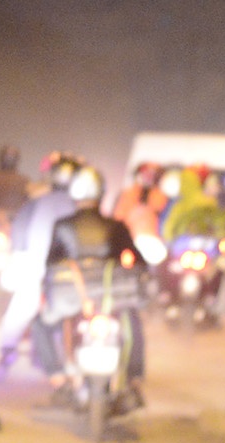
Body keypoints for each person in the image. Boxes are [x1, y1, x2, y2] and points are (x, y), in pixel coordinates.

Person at [44, 166, 148, 403]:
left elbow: (50, 263)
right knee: (132, 323)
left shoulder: (62, 225)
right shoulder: (116, 226)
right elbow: (138, 261)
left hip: (74, 298)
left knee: (43, 324)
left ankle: (58, 377)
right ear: (101, 193)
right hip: (110, 297)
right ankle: (134, 380)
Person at [0, 152, 83, 380]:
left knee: (24, 308)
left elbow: (19, 234)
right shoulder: (77, 205)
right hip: (57, 271)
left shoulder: (38, 202)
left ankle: (8, 352)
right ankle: (10, 353)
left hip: (43, 269)